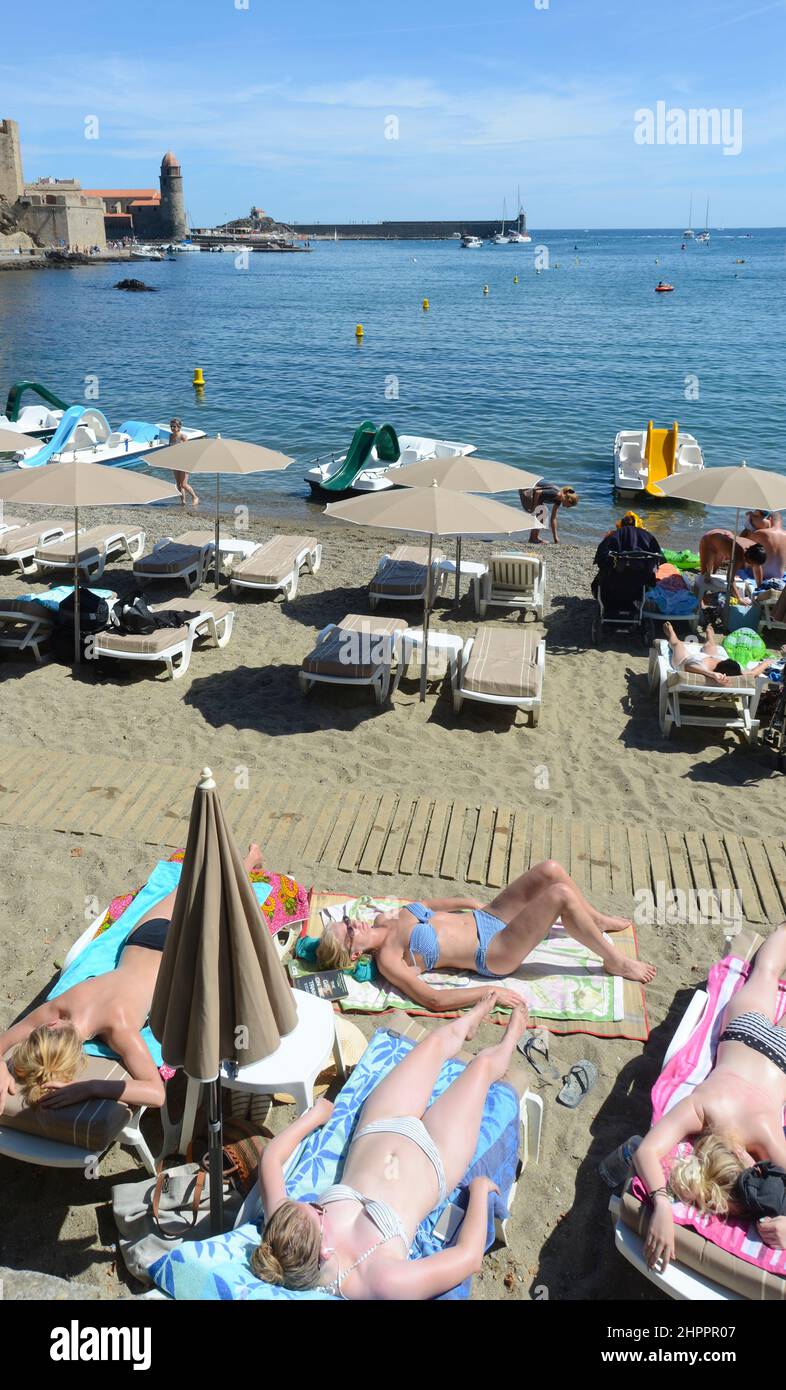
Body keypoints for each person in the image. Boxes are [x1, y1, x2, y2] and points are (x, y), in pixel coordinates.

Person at [253, 997, 530, 1297]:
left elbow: (270, 1158)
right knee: (482, 1067)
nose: (314, 1206)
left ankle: (471, 1020)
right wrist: (479, 1192)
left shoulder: (285, 1232)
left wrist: (312, 1118)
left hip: (380, 1123)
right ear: (325, 1252)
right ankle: (512, 1037)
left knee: (436, 1043)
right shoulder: (380, 1281)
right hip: (436, 1156)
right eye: (319, 1212)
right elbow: (468, 1258)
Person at [0, 844, 264, 1116]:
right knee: (188, 887)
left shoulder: (119, 1028)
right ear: (52, 1025)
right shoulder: (65, 1004)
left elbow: (155, 1092)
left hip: (181, 954)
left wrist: (92, 1087)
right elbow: (7, 1039)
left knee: (220, 900)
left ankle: (249, 859)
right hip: (144, 936)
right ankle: (246, 857)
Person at [634, 924, 786, 1271]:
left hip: (778, 1060)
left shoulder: (763, 1134)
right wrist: (660, 1203)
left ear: (745, 1160)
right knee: (766, 970)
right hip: (743, 1034)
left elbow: (645, 1151)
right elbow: (648, 1150)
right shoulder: (704, 1108)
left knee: (765, 971)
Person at [316, 861, 656, 1000]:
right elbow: (433, 999)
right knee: (560, 896)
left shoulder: (381, 919)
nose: (351, 922)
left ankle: (593, 919)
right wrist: (484, 995)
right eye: (347, 931)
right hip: (493, 952)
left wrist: (468, 901)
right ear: (354, 952)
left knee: (550, 870)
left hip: (488, 919)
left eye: (345, 920)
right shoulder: (389, 959)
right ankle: (615, 961)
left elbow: (430, 905)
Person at [662, 620, 780, 687]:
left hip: (689, 660)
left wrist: (712, 675)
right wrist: (766, 663)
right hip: (710, 659)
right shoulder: (735, 672)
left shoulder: (701, 668)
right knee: (711, 646)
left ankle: (672, 634)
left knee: (678, 645)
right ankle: (710, 637)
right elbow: (753, 673)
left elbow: (688, 667)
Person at [518, 480, 579, 544]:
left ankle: (533, 538)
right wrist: (534, 507)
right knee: (542, 512)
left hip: (530, 492)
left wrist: (555, 537)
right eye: (569, 506)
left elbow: (553, 518)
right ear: (569, 500)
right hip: (526, 490)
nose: (567, 507)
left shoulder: (558, 500)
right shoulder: (557, 494)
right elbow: (538, 492)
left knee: (543, 512)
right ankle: (533, 539)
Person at [698, 529, 766, 586]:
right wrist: (740, 599)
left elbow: (757, 566)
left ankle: (713, 574)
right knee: (705, 574)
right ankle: (700, 596)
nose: (751, 566)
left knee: (714, 571)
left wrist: (759, 587)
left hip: (724, 538)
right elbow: (730, 579)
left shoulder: (756, 549)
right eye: (751, 564)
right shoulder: (738, 556)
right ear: (747, 558)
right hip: (709, 539)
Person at [169, 417, 199, 508]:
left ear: (179, 427)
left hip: (184, 462)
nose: (172, 428)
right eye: (171, 426)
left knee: (184, 484)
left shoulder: (183, 437)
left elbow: (189, 451)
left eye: (174, 426)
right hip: (175, 462)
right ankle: (183, 502)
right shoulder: (170, 436)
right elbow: (169, 450)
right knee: (178, 484)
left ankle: (195, 497)